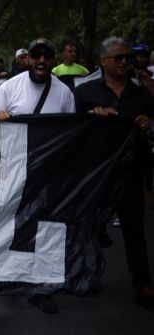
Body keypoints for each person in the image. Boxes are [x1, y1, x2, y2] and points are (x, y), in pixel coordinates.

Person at [0, 39, 75, 314]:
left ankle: (41, 287)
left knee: (45, 227)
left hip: (47, 173)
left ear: (53, 60)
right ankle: (9, 276)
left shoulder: (63, 93)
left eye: (46, 56)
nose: (40, 61)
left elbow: (71, 132)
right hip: (13, 168)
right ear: (26, 59)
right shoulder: (9, 87)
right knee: (11, 222)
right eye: (35, 55)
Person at [74, 36, 154, 308]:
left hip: (131, 172)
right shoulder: (85, 93)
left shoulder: (142, 94)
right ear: (103, 61)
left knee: (134, 229)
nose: (124, 62)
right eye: (119, 57)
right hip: (98, 172)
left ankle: (142, 283)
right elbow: (73, 130)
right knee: (88, 226)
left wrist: (149, 121)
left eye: (128, 58)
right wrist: (92, 116)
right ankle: (83, 275)